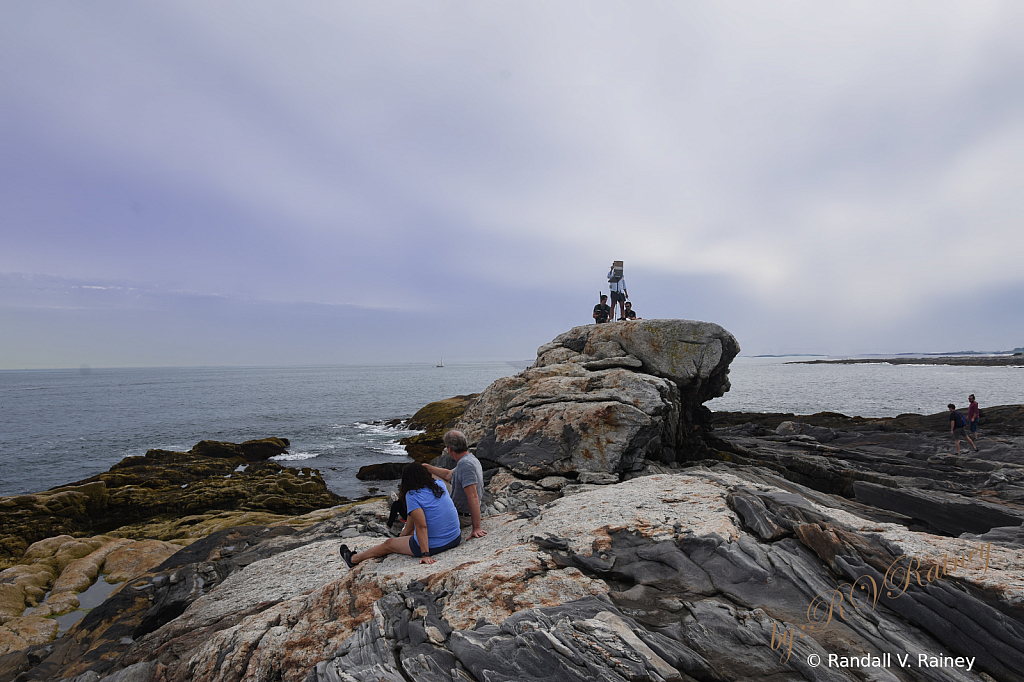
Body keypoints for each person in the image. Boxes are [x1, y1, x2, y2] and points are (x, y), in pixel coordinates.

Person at [339, 463, 461, 567]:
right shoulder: (440, 485)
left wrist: (425, 555)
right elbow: (411, 523)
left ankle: (353, 560)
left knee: (388, 544)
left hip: (436, 545)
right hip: (455, 538)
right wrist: (425, 467)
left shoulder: (412, 495)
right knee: (400, 539)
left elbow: (422, 526)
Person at [424, 430, 487, 539]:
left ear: (449, 449)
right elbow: (448, 475)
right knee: (431, 475)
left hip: (462, 516)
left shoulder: (465, 464)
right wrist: (427, 467)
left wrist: (476, 527)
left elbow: (473, 496)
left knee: (426, 523)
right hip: (460, 509)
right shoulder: (469, 458)